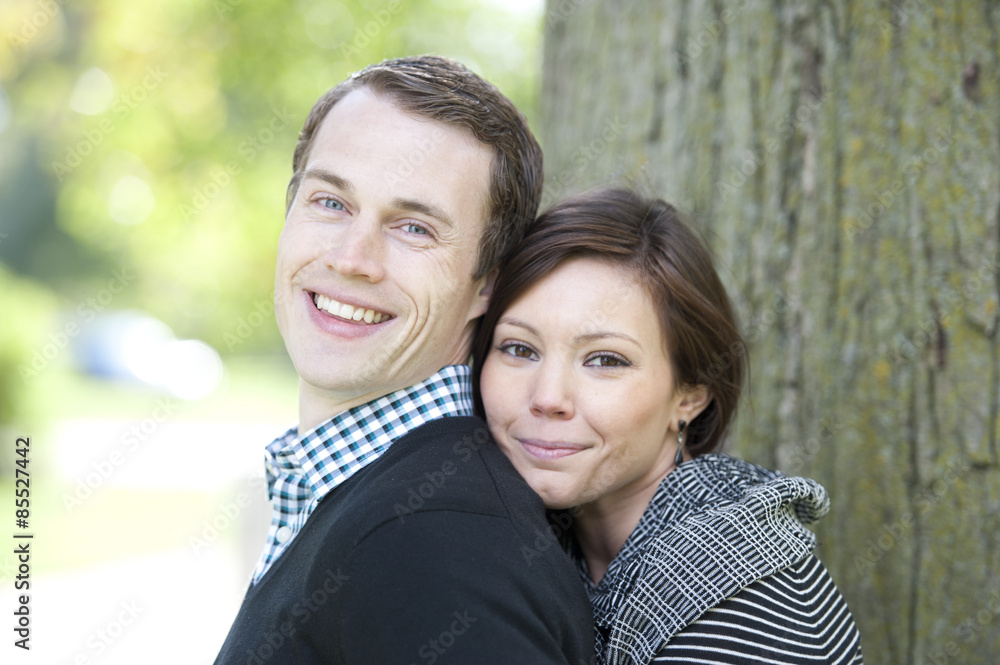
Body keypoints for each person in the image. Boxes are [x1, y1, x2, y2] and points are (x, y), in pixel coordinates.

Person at [214, 56, 594, 665]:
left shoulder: (438, 539)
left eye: (414, 227)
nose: (351, 258)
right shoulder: (374, 497)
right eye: (331, 202)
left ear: (487, 284)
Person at [472, 188, 864, 664]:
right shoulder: (538, 542)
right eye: (519, 349)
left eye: (605, 360)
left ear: (690, 394)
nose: (548, 397)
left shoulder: (745, 601)